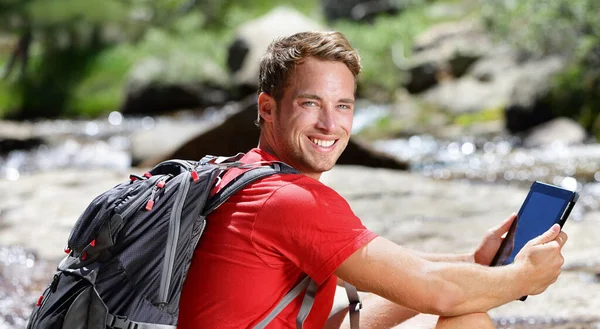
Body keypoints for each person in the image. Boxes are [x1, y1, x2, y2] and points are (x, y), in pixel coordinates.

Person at [177, 31, 568, 329]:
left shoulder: (242, 173)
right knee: (468, 321)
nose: (330, 124)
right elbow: (439, 291)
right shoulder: (288, 201)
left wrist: (475, 263)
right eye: (310, 103)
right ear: (267, 108)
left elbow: (395, 276)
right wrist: (523, 278)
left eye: (342, 105)